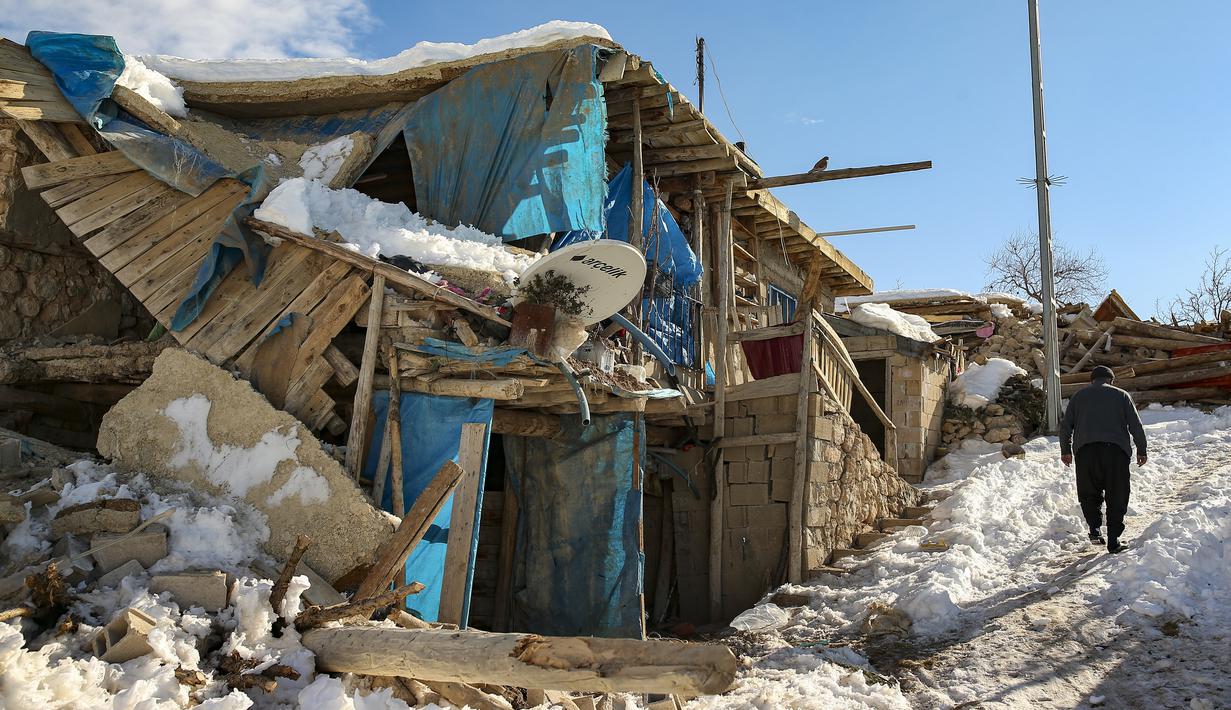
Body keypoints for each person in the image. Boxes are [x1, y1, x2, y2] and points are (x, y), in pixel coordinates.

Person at [1059, 365, 1147, 553]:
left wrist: (1065, 450)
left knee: (1089, 491)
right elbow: (1135, 425)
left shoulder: (1078, 396)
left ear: (1092, 380)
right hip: (1115, 452)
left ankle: (1094, 529)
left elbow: (1066, 426)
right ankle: (1113, 540)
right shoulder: (1122, 395)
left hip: (1086, 452)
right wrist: (1142, 449)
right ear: (1111, 380)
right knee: (1117, 493)